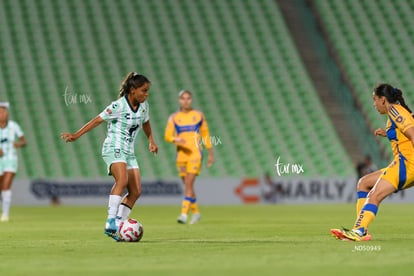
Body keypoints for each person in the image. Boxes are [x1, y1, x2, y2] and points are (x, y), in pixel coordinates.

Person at [61, 72, 158, 240]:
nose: (146, 94)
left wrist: (151, 140)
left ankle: (120, 224)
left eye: (147, 90)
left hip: (129, 152)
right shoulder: (118, 106)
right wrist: (76, 135)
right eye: (144, 90)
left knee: (136, 191)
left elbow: (146, 122)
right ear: (133, 90)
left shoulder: (144, 106)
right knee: (122, 181)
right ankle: (111, 220)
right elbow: (97, 120)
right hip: (113, 147)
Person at [331, 83, 414, 241]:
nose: (374, 104)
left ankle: (359, 231)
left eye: (375, 99)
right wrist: (388, 133)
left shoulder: (395, 110)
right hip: (405, 163)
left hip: (407, 164)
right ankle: (361, 229)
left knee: (374, 195)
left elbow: (413, 134)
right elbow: (403, 134)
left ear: (383, 100)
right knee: (364, 183)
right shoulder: (395, 113)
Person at [164, 90, 214, 224]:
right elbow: (167, 136)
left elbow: (206, 134)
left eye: (188, 98)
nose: (186, 101)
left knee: (188, 185)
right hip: (181, 155)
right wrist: (176, 140)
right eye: (183, 98)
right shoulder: (174, 117)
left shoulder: (198, 115)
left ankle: (184, 215)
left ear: (191, 100)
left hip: (195, 154)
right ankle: (196, 213)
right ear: (179, 101)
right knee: (188, 186)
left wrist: (210, 153)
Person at [0, 102, 26, 222]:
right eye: (0, 112)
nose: (2, 114)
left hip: (11, 158)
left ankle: (5, 214)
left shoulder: (13, 126)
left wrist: (18, 144)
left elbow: (23, 141)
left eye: (4, 111)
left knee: (6, 185)